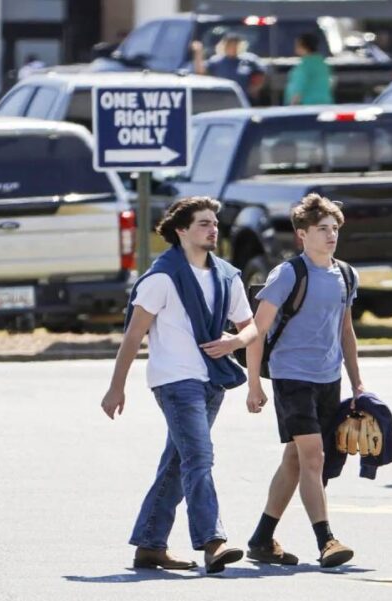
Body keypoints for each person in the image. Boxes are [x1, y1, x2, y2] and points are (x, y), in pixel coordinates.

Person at [100, 197, 257, 574]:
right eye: (204, 223)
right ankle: (213, 543)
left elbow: (251, 327)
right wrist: (116, 387)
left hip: (213, 380)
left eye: (215, 223)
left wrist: (235, 344)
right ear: (181, 231)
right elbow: (133, 335)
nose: (213, 228)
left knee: (178, 462)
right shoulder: (162, 278)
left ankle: (150, 545)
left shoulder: (226, 275)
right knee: (199, 459)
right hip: (175, 381)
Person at [244, 193, 362, 568]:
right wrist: (254, 384)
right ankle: (326, 540)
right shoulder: (288, 274)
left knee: (296, 459)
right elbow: (257, 330)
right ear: (301, 235)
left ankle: (262, 539)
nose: (331, 236)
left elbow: (346, 331)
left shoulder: (345, 273)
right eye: (322, 229)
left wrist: (357, 383)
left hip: (329, 377)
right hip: (291, 376)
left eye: (334, 229)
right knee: (314, 456)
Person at [202, 33, 266, 101]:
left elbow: (261, 74)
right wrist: (198, 52)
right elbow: (202, 73)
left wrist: (254, 89)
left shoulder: (250, 60)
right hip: (221, 99)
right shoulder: (215, 61)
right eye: (230, 44)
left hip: (244, 99)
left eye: (235, 44)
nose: (233, 47)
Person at [285, 33, 333, 106]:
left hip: (306, 107)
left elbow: (298, 88)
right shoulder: (323, 65)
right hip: (325, 104)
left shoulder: (304, 67)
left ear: (301, 44)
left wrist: (292, 106)